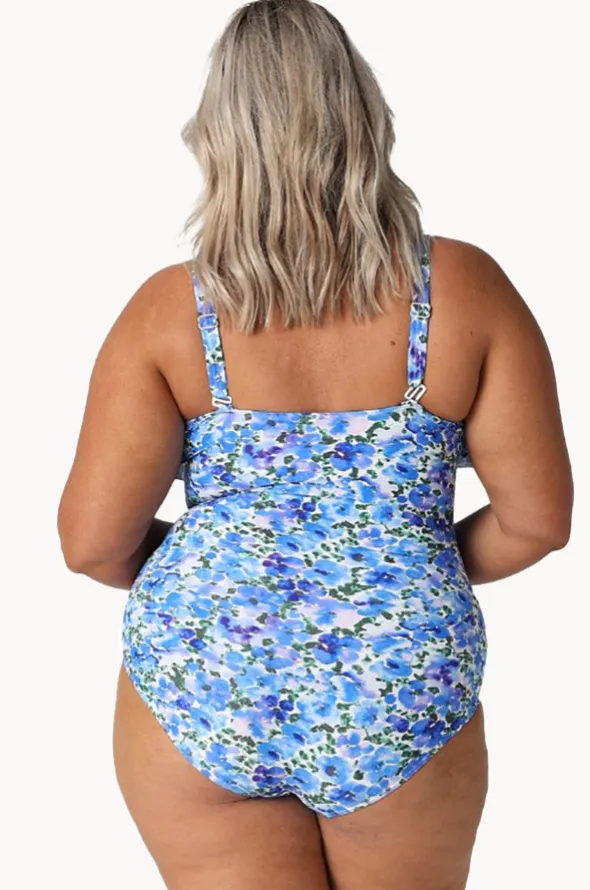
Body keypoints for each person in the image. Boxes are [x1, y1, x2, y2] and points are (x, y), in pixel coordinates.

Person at [57, 2, 573, 888]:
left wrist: (233, 563)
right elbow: (538, 523)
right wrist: (389, 562)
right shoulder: (466, 290)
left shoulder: (169, 314)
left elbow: (92, 545)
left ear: (216, 137)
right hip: (398, 673)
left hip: (208, 670)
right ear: (368, 118)